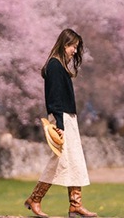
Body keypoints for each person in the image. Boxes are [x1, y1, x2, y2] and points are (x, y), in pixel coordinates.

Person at [24, 28, 97, 218]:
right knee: (58, 160)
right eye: (73, 46)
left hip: (67, 118)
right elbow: (54, 99)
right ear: (65, 44)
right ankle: (35, 199)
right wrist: (60, 125)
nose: (75, 50)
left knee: (75, 161)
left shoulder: (60, 66)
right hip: (61, 118)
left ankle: (75, 205)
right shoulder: (55, 66)